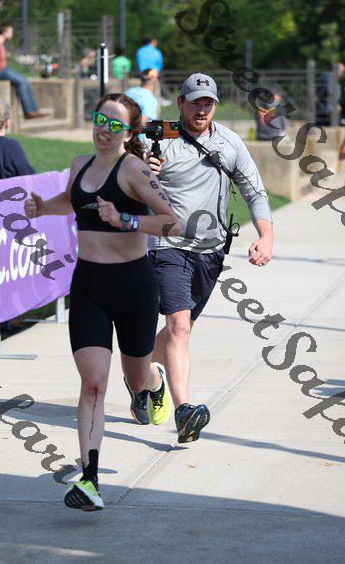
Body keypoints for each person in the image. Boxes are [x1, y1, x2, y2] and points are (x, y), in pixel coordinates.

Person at [24, 93, 181, 511]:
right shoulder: (79, 164)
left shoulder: (134, 170)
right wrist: (42, 208)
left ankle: (154, 382)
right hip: (89, 285)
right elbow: (73, 201)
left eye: (115, 125)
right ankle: (90, 479)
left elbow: (173, 223)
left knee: (136, 377)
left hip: (134, 287)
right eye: (99, 120)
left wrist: (126, 219)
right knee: (93, 383)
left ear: (128, 133)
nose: (103, 130)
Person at [125, 73, 274, 443]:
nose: (202, 110)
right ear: (180, 103)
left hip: (211, 250)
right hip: (167, 245)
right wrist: (144, 171)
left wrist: (266, 235)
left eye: (208, 103)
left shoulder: (229, 142)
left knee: (180, 330)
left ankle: (141, 374)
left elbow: (254, 192)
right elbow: (126, 182)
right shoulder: (160, 138)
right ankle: (184, 411)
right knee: (178, 327)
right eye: (195, 103)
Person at [0, 22, 45, 119]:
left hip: (3, 69)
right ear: (4, 32)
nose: (12, 34)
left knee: (24, 80)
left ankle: (34, 109)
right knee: (21, 82)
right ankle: (28, 111)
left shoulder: (0, 43)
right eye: (11, 31)